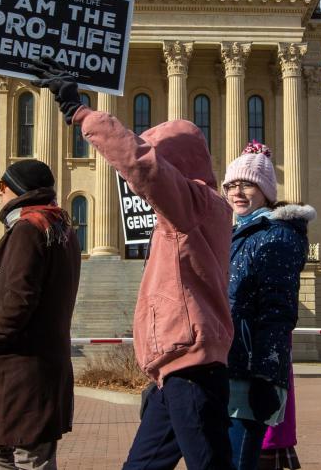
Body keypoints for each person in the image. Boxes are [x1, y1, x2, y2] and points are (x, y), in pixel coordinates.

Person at [34, 61, 235, 470]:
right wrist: (156, 374)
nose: (133, 191)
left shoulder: (193, 204)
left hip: (192, 368)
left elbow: (143, 167)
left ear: (177, 163)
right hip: (175, 371)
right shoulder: (195, 212)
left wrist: (82, 114)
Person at [0, 159, 82, 468]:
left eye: (1, 186)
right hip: (41, 363)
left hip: (22, 364)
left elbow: (19, 297)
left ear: (14, 189)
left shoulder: (28, 229)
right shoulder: (61, 229)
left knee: (28, 454)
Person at [221, 142, 313, 470]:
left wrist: (265, 375)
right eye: (231, 185)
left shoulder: (277, 236)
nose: (237, 192)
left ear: (266, 191)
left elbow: (278, 311)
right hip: (227, 365)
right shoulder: (238, 233)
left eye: (247, 184)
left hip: (249, 374)